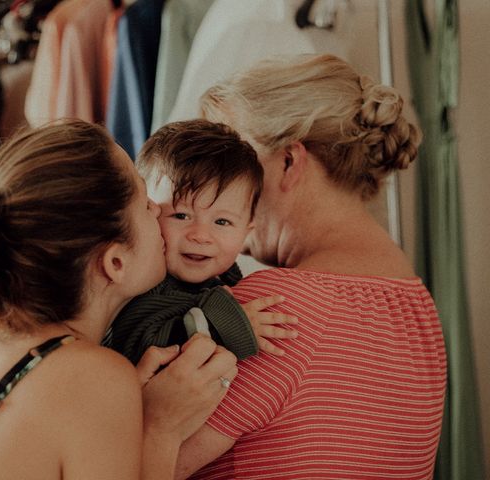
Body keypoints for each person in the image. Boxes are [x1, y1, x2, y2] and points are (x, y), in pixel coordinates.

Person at [0, 119, 238, 480]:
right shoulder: (89, 373)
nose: (158, 208)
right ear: (115, 262)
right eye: (142, 199)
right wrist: (159, 430)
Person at [173, 54, 448, 479]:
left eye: (235, 165)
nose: (218, 186)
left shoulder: (272, 310)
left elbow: (145, 466)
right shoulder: (417, 307)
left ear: (288, 161)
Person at [107, 119, 298, 364]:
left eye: (222, 222)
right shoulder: (145, 285)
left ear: (246, 231)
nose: (200, 235)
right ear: (149, 210)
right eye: (181, 215)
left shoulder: (229, 279)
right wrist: (228, 324)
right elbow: (143, 343)